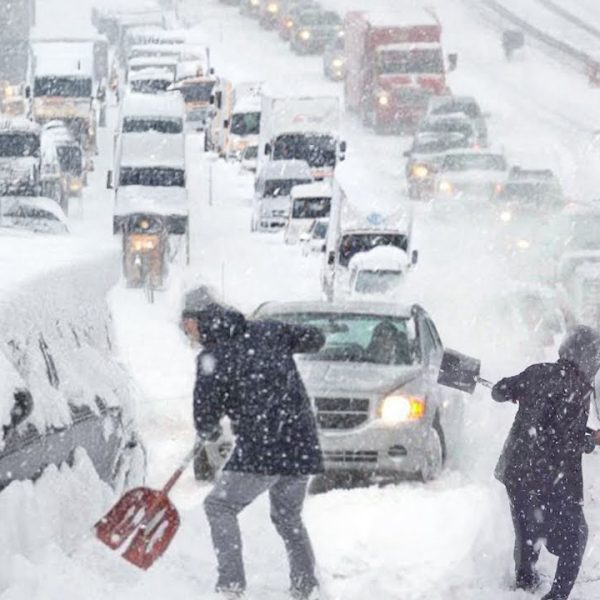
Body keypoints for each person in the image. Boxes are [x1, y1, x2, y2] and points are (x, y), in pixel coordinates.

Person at [187, 299, 325, 600]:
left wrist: (208, 428)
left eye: (194, 328)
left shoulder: (212, 357)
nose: (192, 335)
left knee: (219, 506)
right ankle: (305, 587)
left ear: (207, 325)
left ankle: (230, 586)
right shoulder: (269, 330)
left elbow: (205, 415)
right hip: (301, 444)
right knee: (288, 515)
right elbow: (316, 338)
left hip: (261, 449)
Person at [492, 325, 600, 600]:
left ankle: (524, 583)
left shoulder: (537, 371)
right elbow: (567, 439)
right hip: (550, 475)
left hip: (516, 469)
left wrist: (516, 392)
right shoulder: (580, 387)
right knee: (575, 535)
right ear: (587, 358)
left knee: (527, 530)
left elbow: (498, 390)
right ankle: (557, 596)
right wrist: (592, 440)